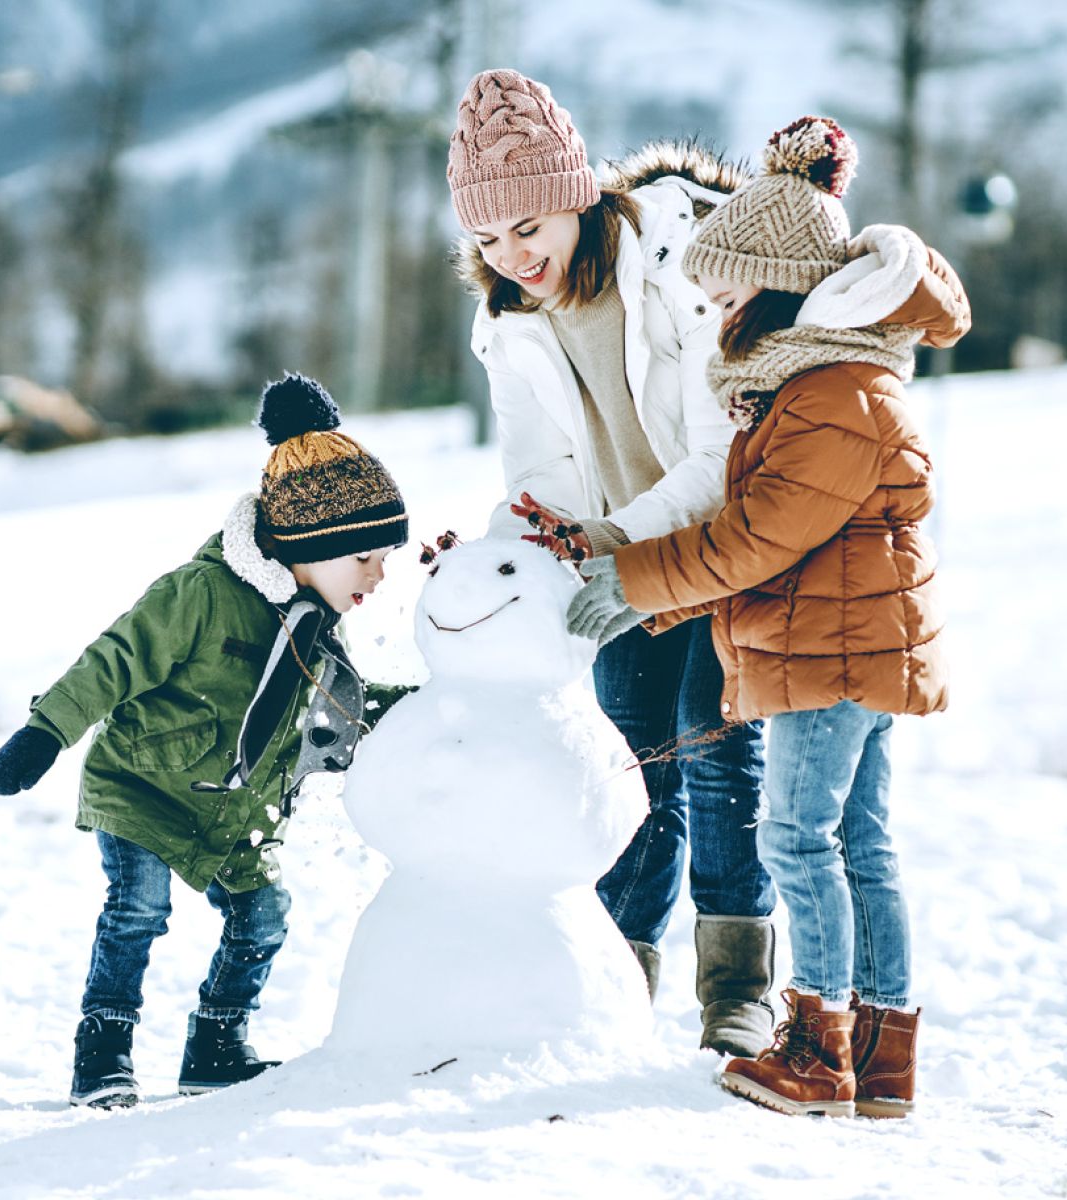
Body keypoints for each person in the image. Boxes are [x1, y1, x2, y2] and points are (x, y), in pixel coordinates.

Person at [564, 115, 971, 1118]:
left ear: (778, 285)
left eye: (728, 297)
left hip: (832, 649)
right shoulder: (819, 384)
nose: (717, 318)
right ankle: (878, 1060)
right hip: (843, 640)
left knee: (795, 837)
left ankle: (816, 1050)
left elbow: (755, 537)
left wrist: (634, 579)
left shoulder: (831, 393)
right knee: (858, 843)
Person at [446, 67, 777, 1056]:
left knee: (714, 752)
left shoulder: (677, 264)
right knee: (631, 771)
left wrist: (611, 545)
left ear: (575, 198)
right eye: (486, 239)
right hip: (619, 563)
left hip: (724, 544)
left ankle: (735, 993)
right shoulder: (507, 320)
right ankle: (613, 987)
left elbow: (717, 454)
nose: (512, 256)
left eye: (527, 227)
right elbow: (537, 474)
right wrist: (498, 560)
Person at [0, 373, 410, 1110]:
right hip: (143, 788)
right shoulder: (201, 594)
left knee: (263, 914)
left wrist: (437, 712)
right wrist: (43, 734)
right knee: (138, 911)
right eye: (364, 556)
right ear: (311, 544)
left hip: (233, 812)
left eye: (384, 558)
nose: (378, 574)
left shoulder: (313, 623)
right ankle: (103, 1053)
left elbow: (344, 710)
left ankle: (215, 1046)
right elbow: (113, 660)